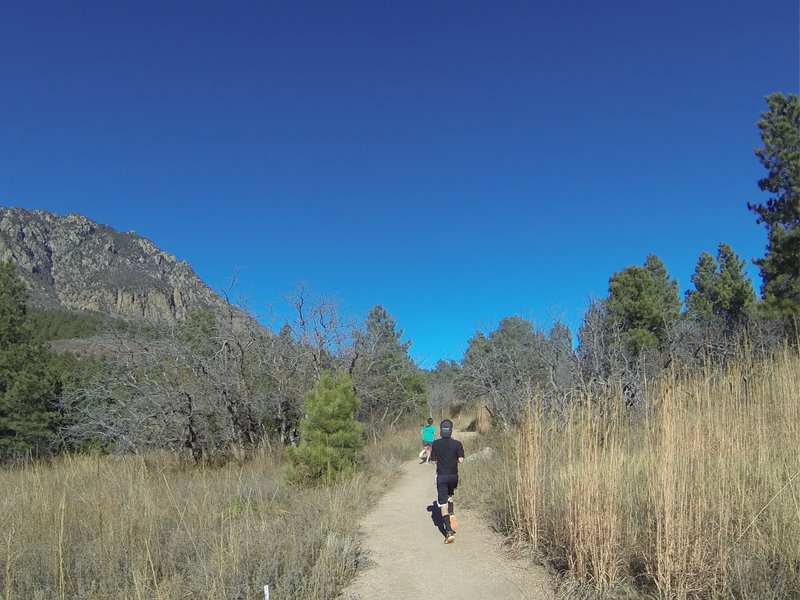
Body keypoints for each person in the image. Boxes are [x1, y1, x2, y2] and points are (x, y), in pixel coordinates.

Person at [429, 418, 464, 543]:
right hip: (453, 476)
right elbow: (461, 460)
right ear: (451, 430)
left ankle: (448, 531)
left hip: (442, 476)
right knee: (450, 494)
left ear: (441, 430)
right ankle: (452, 513)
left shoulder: (436, 444)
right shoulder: (457, 444)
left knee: (442, 502)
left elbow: (433, 461)